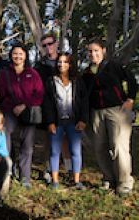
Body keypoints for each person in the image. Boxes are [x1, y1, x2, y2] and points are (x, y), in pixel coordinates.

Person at [82, 38, 137, 195]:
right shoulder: (87, 72)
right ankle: (108, 178)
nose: (93, 54)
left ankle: (124, 182)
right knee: (99, 147)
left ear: (103, 51)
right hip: (96, 112)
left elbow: (131, 80)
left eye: (96, 50)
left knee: (119, 146)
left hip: (117, 110)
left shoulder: (114, 66)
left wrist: (130, 99)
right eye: (90, 51)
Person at [0, 43, 44, 188]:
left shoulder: (33, 73)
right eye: (15, 53)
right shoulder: (5, 73)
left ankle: (25, 176)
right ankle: (7, 169)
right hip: (9, 111)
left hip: (28, 111)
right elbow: (2, 93)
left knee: (27, 145)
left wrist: (24, 105)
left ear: (25, 56)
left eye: (20, 53)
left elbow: (39, 94)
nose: (17, 56)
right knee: (6, 138)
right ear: (11, 56)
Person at [42, 53, 88, 190]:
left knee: (75, 150)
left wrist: (83, 119)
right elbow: (47, 104)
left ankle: (76, 181)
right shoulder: (51, 81)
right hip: (57, 122)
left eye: (65, 62)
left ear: (70, 64)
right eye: (59, 62)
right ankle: (55, 181)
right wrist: (50, 122)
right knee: (54, 151)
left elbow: (84, 102)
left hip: (74, 122)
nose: (62, 65)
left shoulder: (78, 81)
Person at [35, 33, 72, 184]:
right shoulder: (39, 66)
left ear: (56, 44)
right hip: (47, 108)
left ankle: (70, 169)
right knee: (48, 141)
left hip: (66, 106)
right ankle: (48, 169)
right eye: (44, 45)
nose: (48, 47)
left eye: (50, 44)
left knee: (66, 140)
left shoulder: (65, 61)